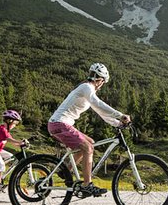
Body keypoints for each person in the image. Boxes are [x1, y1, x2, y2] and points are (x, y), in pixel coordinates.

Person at [47, 63, 131, 197]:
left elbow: (101, 112)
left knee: (90, 143)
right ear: (101, 80)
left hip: (61, 124)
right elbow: (98, 103)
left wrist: (117, 124)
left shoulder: (87, 89)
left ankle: (65, 170)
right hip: (60, 124)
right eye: (103, 82)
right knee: (87, 148)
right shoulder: (86, 87)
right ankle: (87, 185)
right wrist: (120, 115)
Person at [0, 109, 28, 192]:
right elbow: (9, 139)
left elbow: (12, 141)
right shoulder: (2, 129)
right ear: (9, 121)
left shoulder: (6, 130)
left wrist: (22, 144)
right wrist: (20, 142)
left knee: (12, 157)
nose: (15, 125)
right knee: (1, 165)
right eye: (15, 123)